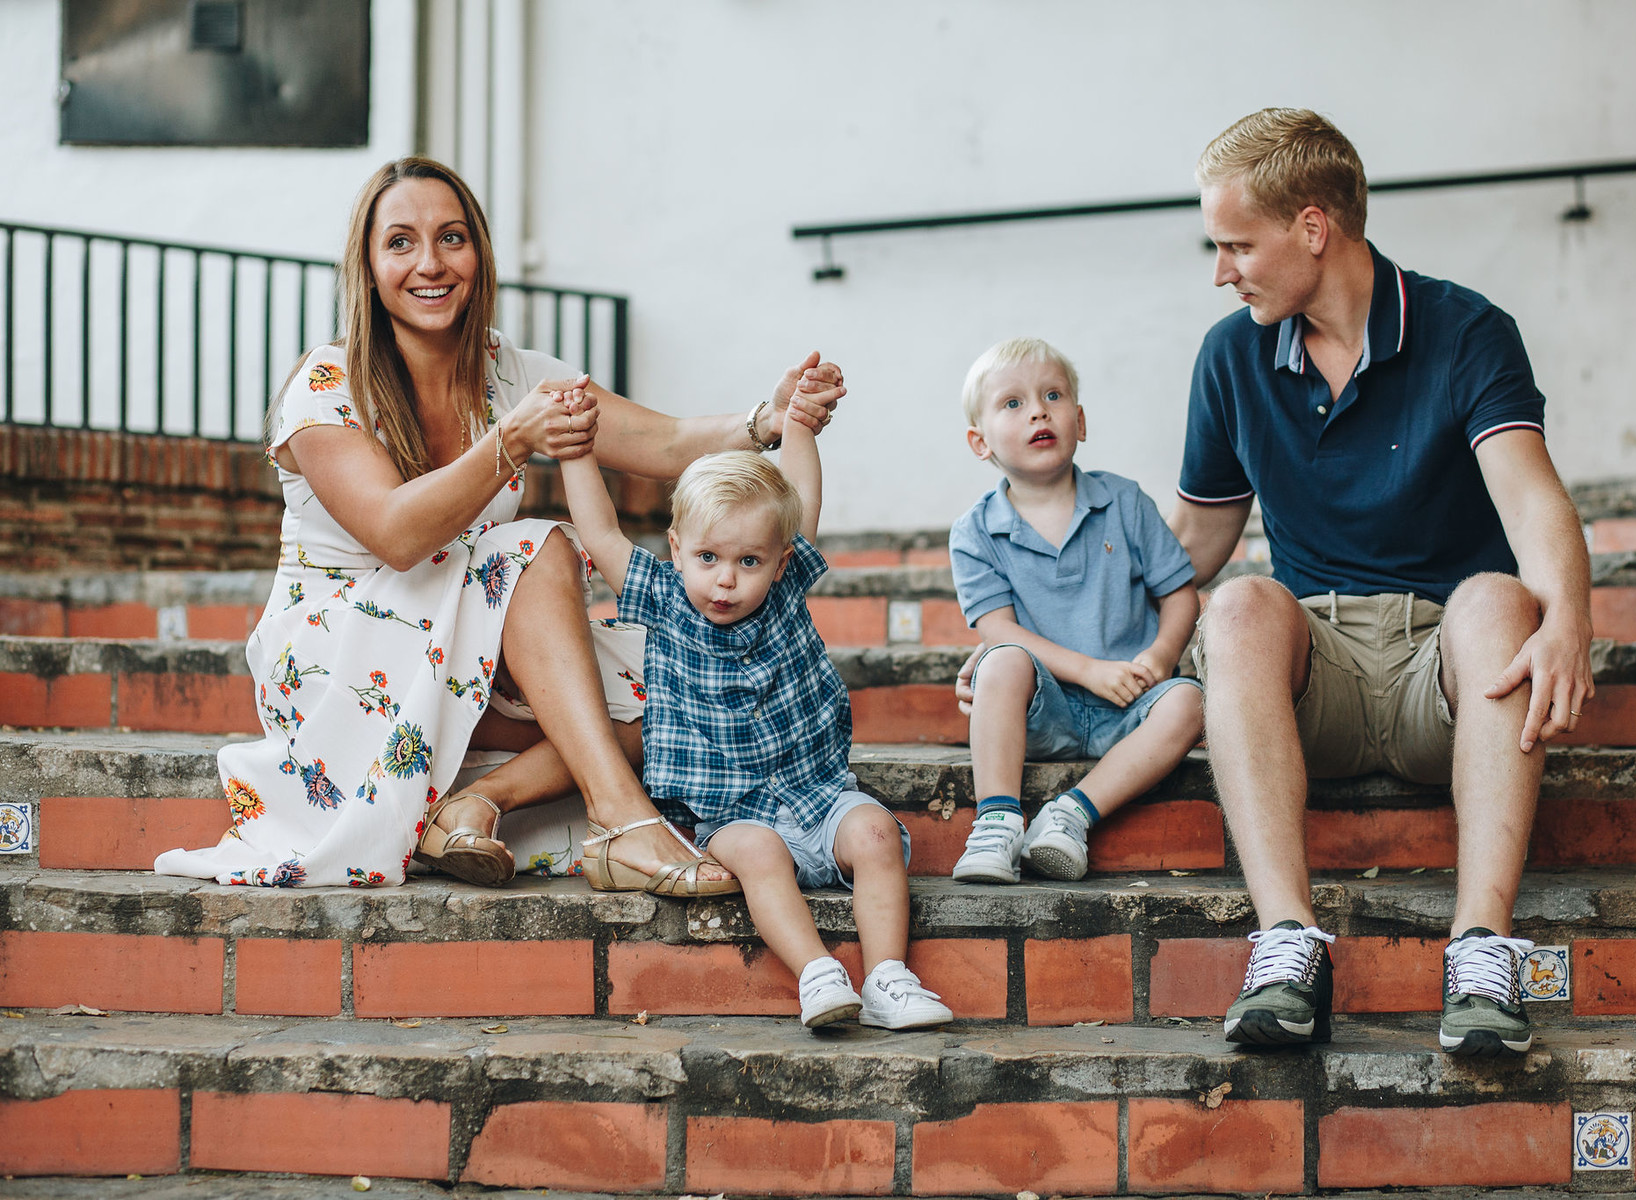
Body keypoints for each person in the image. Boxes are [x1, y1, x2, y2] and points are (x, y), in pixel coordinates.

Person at [154, 156, 841, 893]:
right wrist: (509, 441)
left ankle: (474, 804)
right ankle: (623, 821)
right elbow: (396, 532)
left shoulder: (506, 371)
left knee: (679, 682)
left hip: (472, 650)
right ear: (368, 263)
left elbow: (665, 442)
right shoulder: (327, 384)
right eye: (400, 242)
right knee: (532, 545)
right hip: (340, 656)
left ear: (478, 253)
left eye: (451, 237)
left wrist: (767, 420)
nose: (430, 263)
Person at [1169, 109, 1593, 1056]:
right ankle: (1286, 950)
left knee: (1498, 598)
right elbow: (1193, 545)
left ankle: (1481, 954)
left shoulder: (1466, 330)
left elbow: (1531, 501)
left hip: (1444, 675)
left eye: (1237, 244)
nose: (1221, 270)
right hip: (1313, 677)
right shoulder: (1232, 355)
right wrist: (1038, 643)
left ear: (1312, 228)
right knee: (1237, 601)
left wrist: (1567, 619)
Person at [556, 373, 954, 1031]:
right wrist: (575, 450)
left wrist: (798, 421)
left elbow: (799, 498)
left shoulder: (787, 591)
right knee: (760, 857)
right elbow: (600, 534)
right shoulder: (663, 600)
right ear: (677, 550)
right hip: (730, 812)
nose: (725, 579)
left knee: (877, 833)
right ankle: (818, 973)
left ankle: (888, 977)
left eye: (748, 561)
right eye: (708, 557)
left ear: (779, 560)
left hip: (819, 793)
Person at [948, 338, 1205, 885]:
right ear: (980, 441)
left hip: (1133, 703)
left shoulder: (1125, 502)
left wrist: (1161, 656)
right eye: (1012, 403)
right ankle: (996, 821)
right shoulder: (975, 532)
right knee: (1001, 659)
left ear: (1080, 421)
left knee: (1190, 702)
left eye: (1053, 395)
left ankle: (1070, 815)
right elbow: (997, 629)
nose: (1038, 410)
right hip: (1048, 709)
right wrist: (1089, 671)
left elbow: (1181, 594)